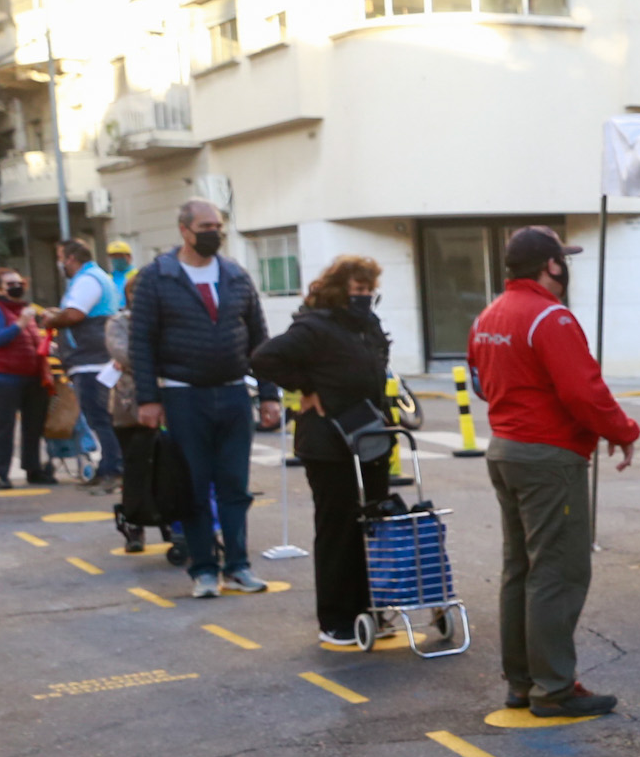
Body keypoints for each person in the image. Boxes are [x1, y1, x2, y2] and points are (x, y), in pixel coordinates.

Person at [469, 225, 638, 717]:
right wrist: (623, 430)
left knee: (519, 568)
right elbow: (583, 392)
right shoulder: (551, 317)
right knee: (557, 572)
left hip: (505, 449)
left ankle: (522, 682)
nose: (566, 268)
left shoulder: (489, 315)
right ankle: (553, 687)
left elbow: (481, 383)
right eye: (563, 260)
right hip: (549, 457)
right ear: (552, 266)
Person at [130, 197, 283, 597]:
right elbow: (141, 342)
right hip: (183, 397)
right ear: (184, 231)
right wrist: (148, 398)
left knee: (235, 486)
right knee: (194, 487)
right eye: (205, 228)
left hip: (233, 394)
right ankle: (203, 570)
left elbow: (258, 337)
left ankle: (238, 566)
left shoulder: (235, 275)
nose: (214, 234)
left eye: (218, 227)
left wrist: (269, 393)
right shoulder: (156, 277)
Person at [251, 256, 394, 650]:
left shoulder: (368, 325)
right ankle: (336, 618)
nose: (365, 297)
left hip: (369, 436)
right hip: (329, 442)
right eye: (358, 290)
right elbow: (264, 357)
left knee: (374, 525)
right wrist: (307, 389)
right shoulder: (314, 327)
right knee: (338, 530)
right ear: (338, 290)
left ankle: (371, 608)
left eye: (369, 290)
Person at [48, 240, 126, 495]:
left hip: (91, 359)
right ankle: (109, 466)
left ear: (70, 258)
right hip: (91, 356)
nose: (60, 264)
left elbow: (74, 315)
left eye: (60, 257)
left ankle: (114, 469)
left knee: (99, 416)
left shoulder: (87, 279)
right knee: (101, 416)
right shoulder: (96, 277)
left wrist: (52, 319)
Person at [0, 268, 58, 490]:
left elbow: (31, 340)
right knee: (5, 425)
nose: (16, 286)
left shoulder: (25, 310)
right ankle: (0, 473)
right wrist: (19, 324)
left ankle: (33, 469)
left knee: (34, 425)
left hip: (32, 376)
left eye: (18, 282)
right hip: (2, 377)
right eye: (9, 283)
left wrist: (47, 346)